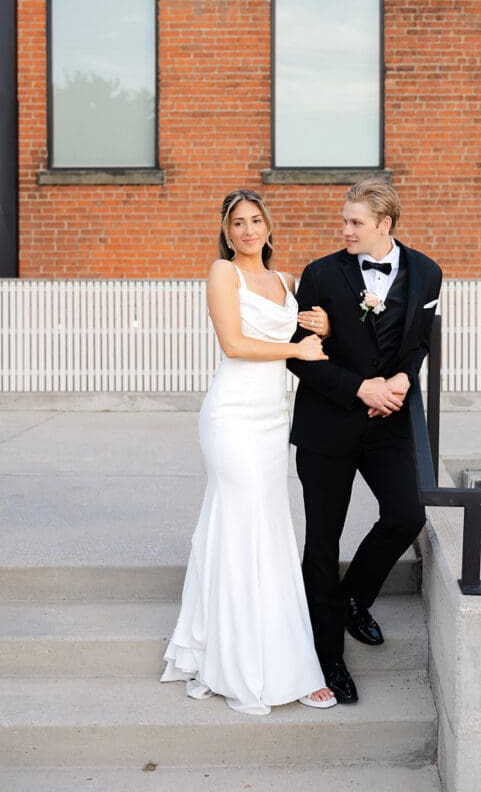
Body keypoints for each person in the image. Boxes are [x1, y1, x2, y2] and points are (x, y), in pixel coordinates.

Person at [161, 189, 336, 714]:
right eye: (237, 222)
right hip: (232, 416)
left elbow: (320, 332)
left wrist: (322, 326)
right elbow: (234, 344)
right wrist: (296, 348)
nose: (247, 230)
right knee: (245, 524)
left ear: (267, 225)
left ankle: (286, 660)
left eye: (255, 220)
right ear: (226, 230)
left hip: (271, 419)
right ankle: (240, 663)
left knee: (271, 530)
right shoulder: (223, 274)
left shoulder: (288, 283)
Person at [289, 180, 442, 705]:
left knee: (407, 513)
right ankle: (329, 660)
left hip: (387, 424)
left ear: (385, 225)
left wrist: (402, 379)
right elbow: (298, 357)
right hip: (328, 426)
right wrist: (361, 387)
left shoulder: (427, 271)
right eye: (344, 220)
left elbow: (418, 340)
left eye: (356, 222)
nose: (345, 229)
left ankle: (355, 600)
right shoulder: (319, 274)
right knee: (322, 543)